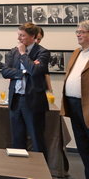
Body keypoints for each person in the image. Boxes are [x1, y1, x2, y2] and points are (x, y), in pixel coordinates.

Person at [1, 23, 49, 155]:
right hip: (16, 99)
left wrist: (23, 54)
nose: (19, 39)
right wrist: (23, 72)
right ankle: (19, 171)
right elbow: (5, 72)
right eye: (18, 35)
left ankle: (41, 172)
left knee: (36, 138)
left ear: (33, 36)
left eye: (22, 35)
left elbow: (34, 71)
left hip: (33, 101)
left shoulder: (42, 52)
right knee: (17, 139)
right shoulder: (13, 51)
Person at [61, 21, 89, 178]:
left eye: (83, 32)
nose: (78, 34)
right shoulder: (77, 52)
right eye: (77, 31)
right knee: (82, 146)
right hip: (73, 105)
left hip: (87, 106)